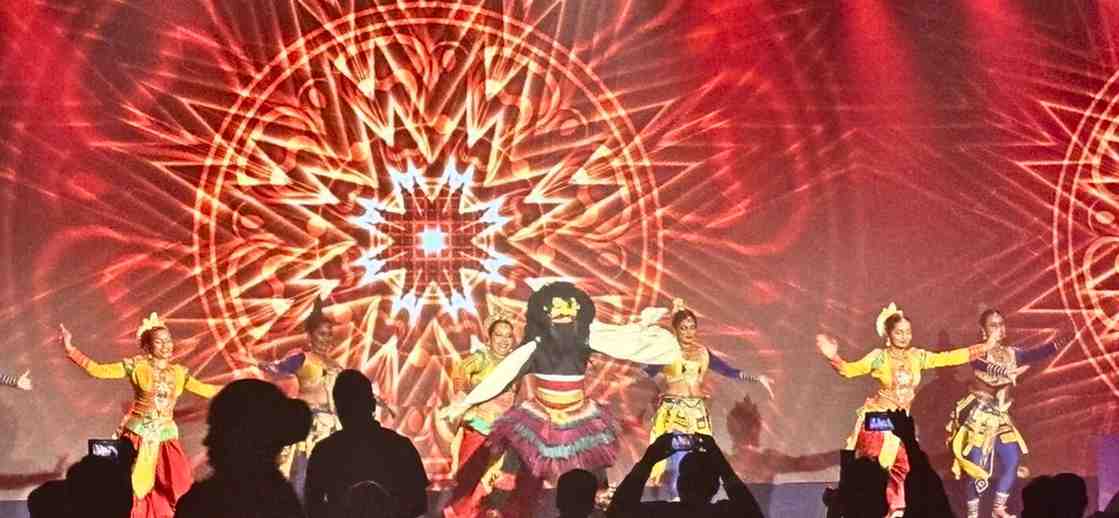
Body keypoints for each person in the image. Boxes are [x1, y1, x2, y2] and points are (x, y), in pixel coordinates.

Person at [441, 282, 682, 517]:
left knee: (591, 469)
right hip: (540, 416)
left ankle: (597, 504)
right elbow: (504, 374)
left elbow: (620, 340)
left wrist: (643, 327)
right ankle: (498, 509)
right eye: (557, 308)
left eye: (570, 308)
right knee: (519, 474)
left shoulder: (587, 336)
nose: (564, 313)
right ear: (544, 313)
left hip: (579, 415)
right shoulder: (535, 346)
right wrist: (465, 402)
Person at [816, 303, 997, 518]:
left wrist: (985, 347)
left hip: (899, 423)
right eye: (899, 332)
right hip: (877, 420)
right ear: (888, 334)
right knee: (878, 466)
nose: (904, 336)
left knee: (903, 467)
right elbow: (848, 370)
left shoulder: (917, 356)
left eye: (908, 332)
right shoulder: (879, 357)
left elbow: (948, 357)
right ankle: (856, 503)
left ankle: (894, 510)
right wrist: (832, 356)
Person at [60, 314, 222, 518]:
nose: (166, 345)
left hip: (165, 438)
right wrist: (71, 350)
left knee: (179, 485)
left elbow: (206, 390)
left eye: (168, 340)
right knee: (129, 487)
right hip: (136, 436)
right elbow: (99, 371)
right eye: (159, 341)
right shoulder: (137, 366)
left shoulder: (179, 373)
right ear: (147, 346)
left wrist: (241, 386)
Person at [242, 298, 392, 501]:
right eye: (322, 334)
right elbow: (276, 367)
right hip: (310, 428)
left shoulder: (337, 366)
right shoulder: (302, 359)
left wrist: (378, 401)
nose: (326, 339)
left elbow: (357, 392)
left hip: (333, 429)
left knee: (332, 478)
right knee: (303, 477)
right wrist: (254, 361)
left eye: (330, 334)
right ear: (310, 336)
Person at [643, 298, 774, 500]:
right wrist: (662, 384)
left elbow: (729, 371)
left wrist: (758, 378)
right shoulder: (666, 351)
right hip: (673, 411)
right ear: (676, 329)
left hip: (697, 412)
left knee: (698, 457)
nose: (688, 332)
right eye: (683, 327)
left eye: (692, 327)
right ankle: (674, 502)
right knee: (671, 457)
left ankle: (694, 500)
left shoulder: (703, 353)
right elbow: (647, 369)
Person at [947, 309, 1059, 518]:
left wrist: (1060, 342)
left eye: (1001, 324)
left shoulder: (1012, 353)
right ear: (983, 331)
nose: (999, 329)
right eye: (993, 325)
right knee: (977, 470)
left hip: (999, 417)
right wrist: (1006, 372)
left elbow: (1036, 353)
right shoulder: (978, 352)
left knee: (1012, 459)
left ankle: (998, 508)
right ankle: (972, 515)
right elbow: (982, 366)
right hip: (978, 417)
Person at [174, 379, 312, 518]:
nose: (207, 441)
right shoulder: (285, 504)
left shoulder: (200, 504)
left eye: (217, 430)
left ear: (243, 440)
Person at [304, 369, 428, 518]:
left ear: (337, 408)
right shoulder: (401, 447)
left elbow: (312, 507)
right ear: (372, 405)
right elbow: (419, 504)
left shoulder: (324, 452)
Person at [446, 310, 521, 517]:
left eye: (508, 336)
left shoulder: (516, 364)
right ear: (489, 337)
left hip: (502, 434)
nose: (504, 340)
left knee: (495, 481)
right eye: (499, 335)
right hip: (478, 429)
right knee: (468, 479)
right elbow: (460, 371)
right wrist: (461, 393)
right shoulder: (482, 357)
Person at [605, 433, 764, 518]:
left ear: (679, 484)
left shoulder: (660, 513)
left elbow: (618, 511)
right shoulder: (723, 514)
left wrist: (649, 459)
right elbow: (751, 512)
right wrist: (721, 463)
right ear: (715, 487)